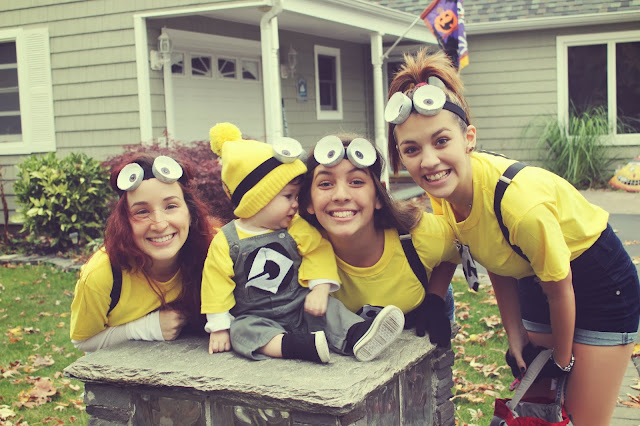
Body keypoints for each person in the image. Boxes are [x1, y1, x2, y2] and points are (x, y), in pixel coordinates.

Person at [386, 48, 640, 425]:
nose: (428, 161)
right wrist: (514, 332)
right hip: (533, 276)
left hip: (597, 281)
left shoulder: (519, 204)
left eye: (441, 141)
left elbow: (561, 288)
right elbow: (495, 254)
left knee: (579, 416)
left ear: (468, 138)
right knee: (541, 414)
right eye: (412, 149)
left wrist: (561, 362)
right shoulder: (444, 192)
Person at [201, 122, 404, 364]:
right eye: (288, 196)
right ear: (259, 198)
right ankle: (298, 347)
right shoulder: (226, 240)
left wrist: (319, 289)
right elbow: (215, 283)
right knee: (242, 330)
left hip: (301, 305)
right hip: (256, 315)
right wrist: (219, 327)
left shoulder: (296, 227)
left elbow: (317, 251)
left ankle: (358, 334)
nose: (295, 204)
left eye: (296, 197)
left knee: (331, 309)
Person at [297, 133, 459, 348]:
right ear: (308, 200)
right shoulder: (296, 248)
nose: (341, 195)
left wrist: (435, 299)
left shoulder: (420, 234)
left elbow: (453, 250)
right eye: (325, 184)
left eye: (356, 182)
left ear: (378, 196)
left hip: (420, 312)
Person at [70, 154, 216, 352]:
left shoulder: (214, 249)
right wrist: (147, 328)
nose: (159, 224)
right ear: (124, 222)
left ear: (190, 213)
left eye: (171, 206)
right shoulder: (101, 274)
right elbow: (82, 342)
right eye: (142, 212)